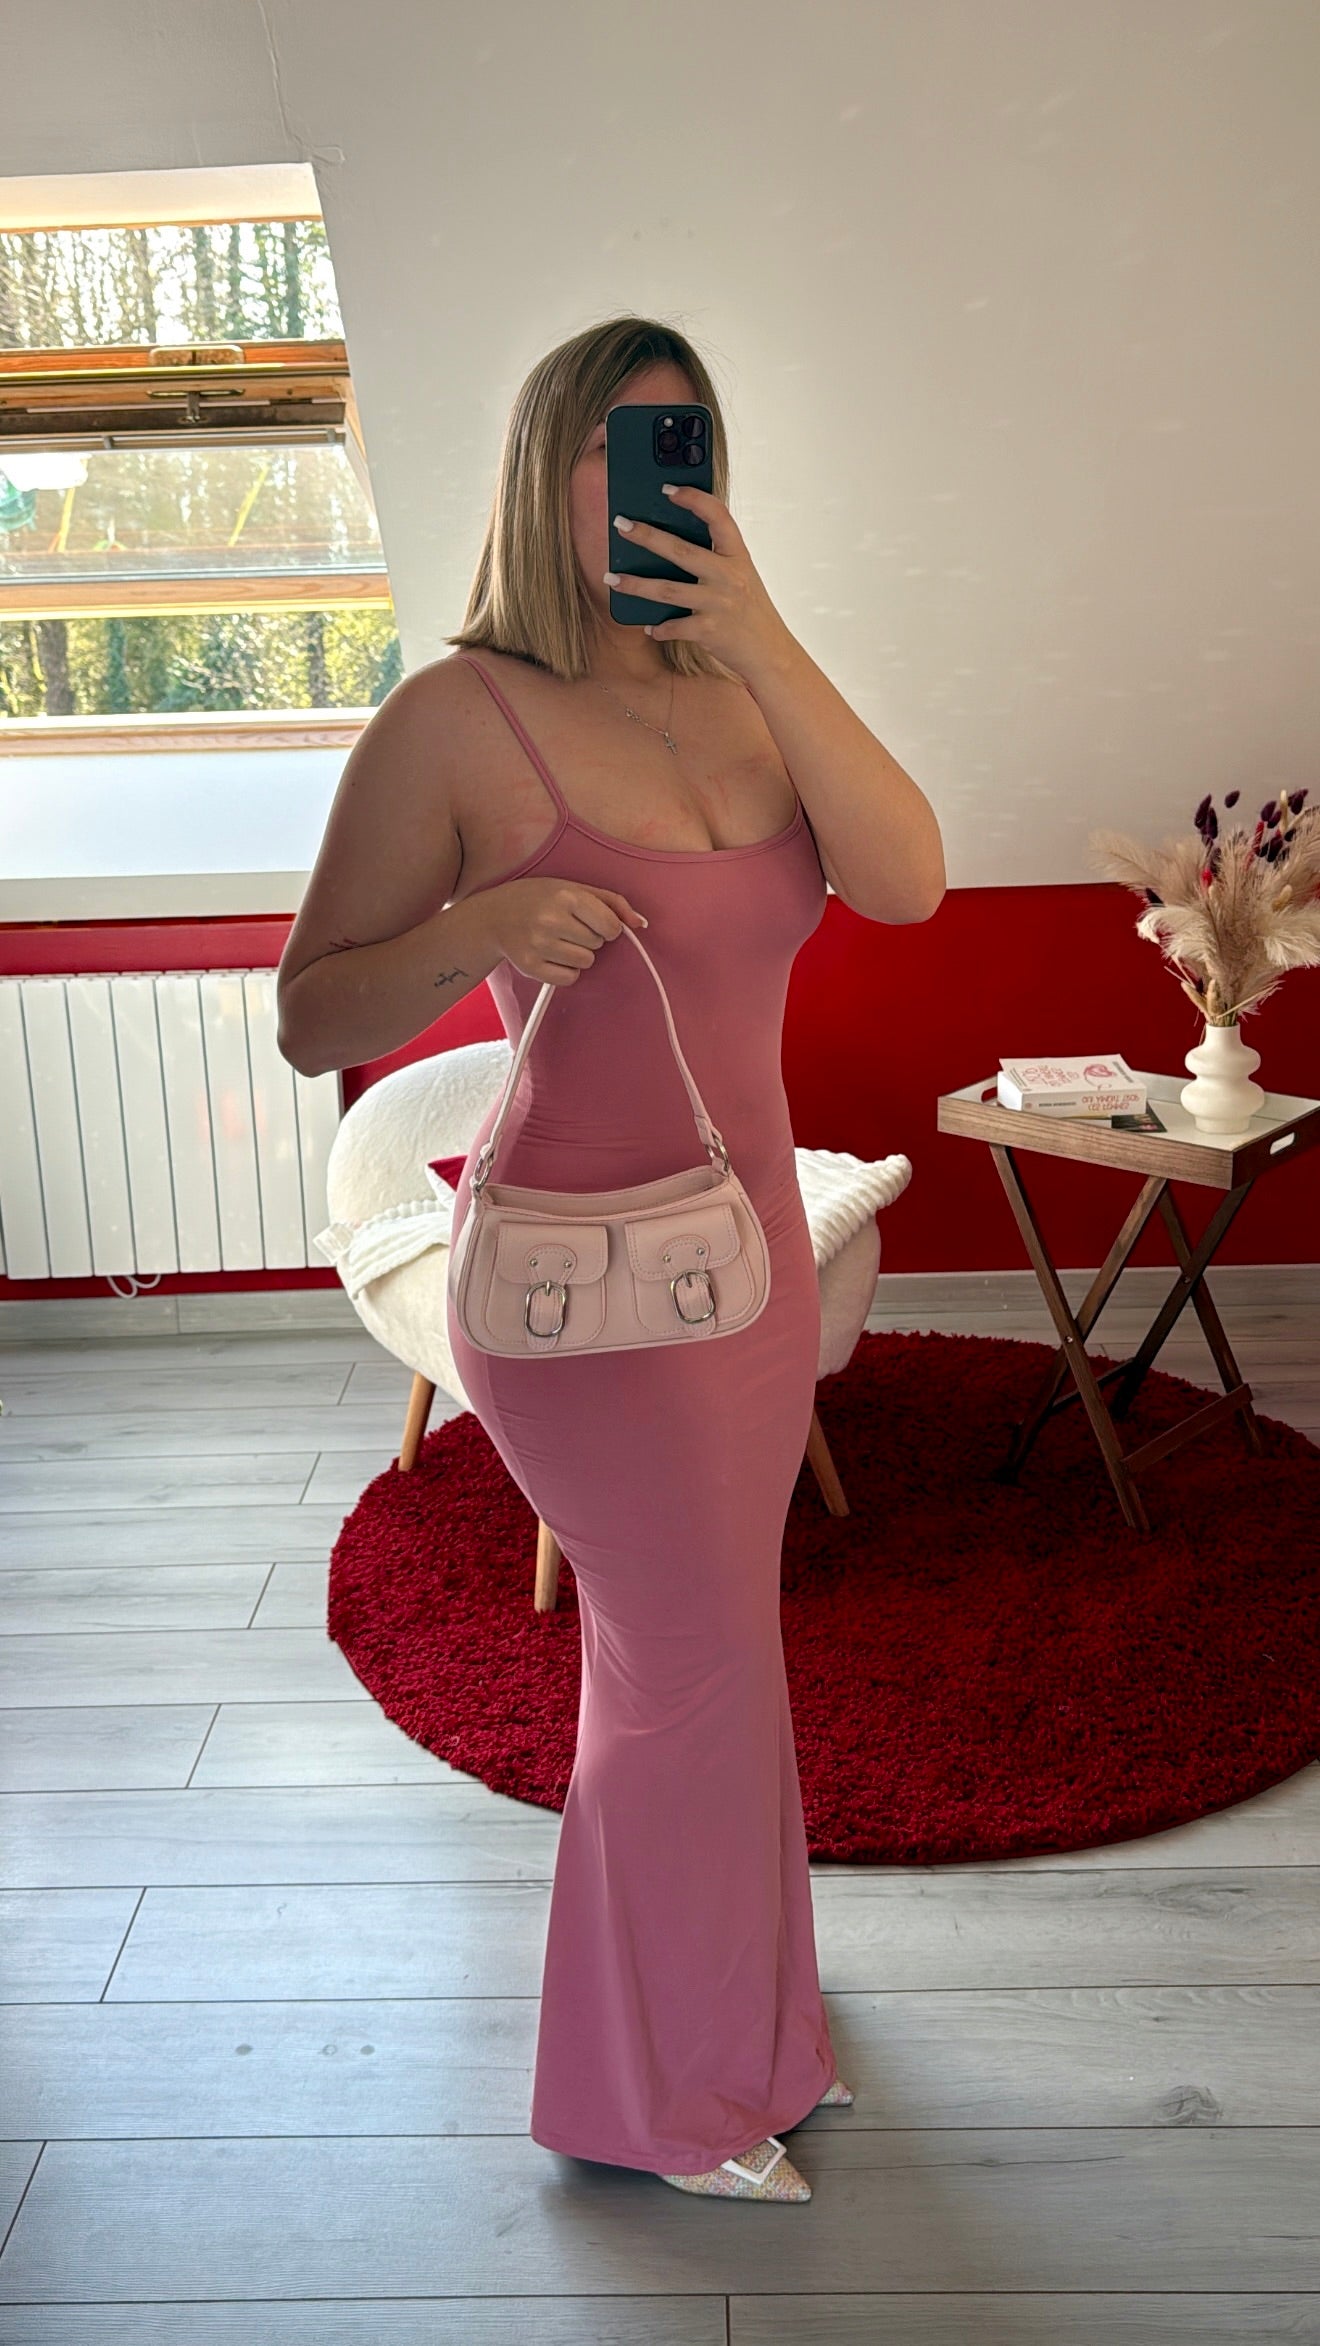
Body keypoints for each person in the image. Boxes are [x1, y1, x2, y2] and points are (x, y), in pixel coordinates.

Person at [278, 313, 944, 2202]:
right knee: (688, 1669)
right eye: (623, 445)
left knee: (717, 1654)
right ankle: (664, 2098)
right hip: (578, 1286)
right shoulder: (454, 718)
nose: (664, 475)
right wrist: (479, 923)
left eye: (691, 441)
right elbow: (313, 1014)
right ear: (543, 468)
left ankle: (753, 2029)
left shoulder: (746, 690)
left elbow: (908, 877)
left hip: (743, 1260)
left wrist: (763, 628)